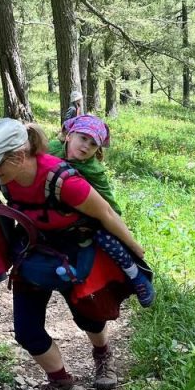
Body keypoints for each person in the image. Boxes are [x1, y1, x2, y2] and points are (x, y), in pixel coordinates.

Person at [0, 118, 149, 390]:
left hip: (75, 254)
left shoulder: (63, 181)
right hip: (32, 253)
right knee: (26, 331)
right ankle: (61, 385)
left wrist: (136, 251)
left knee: (89, 317)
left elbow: (106, 213)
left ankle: (102, 354)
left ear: (18, 157)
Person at [48, 114, 154, 306]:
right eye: (83, 138)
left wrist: (116, 224)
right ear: (69, 135)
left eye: (93, 144)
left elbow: (109, 205)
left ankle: (136, 276)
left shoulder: (93, 170)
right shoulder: (51, 149)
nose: (86, 146)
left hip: (85, 216)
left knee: (104, 238)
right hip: (54, 211)